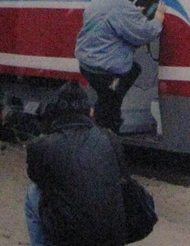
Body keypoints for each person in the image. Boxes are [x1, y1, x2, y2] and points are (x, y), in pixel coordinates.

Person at [25, 80, 128, 246]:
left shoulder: (40, 146)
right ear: (90, 112)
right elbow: (123, 178)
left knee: (33, 193)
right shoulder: (111, 139)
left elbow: (38, 179)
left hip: (68, 237)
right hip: (111, 237)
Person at [75, 0, 165, 133]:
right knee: (112, 98)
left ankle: (101, 119)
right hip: (105, 69)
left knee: (108, 95)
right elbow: (144, 33)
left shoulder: (98, 0)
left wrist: (132, 14)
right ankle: (107, 132)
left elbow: (110, 20)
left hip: (87, 64)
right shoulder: (121, 6)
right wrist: (158, 19)